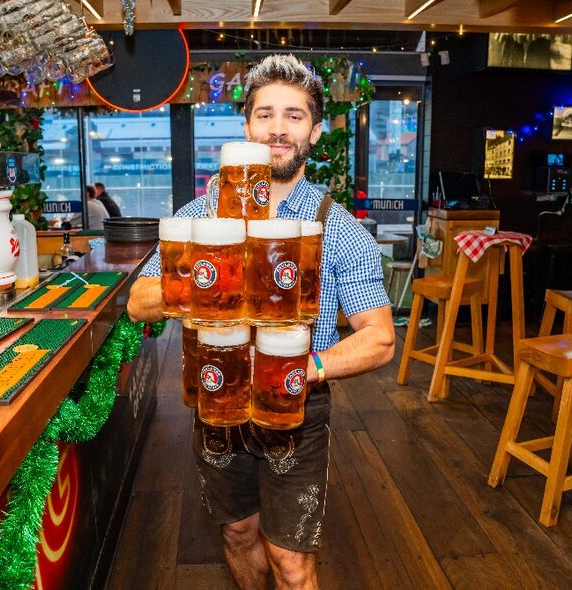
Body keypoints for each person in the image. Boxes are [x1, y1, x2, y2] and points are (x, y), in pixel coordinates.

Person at [126, 54, 395, 590]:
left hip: (294, 404)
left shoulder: (334, 228)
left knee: (291, 563)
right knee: (238, 536)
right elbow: (138, 302)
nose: (277, 128)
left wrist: (303, 368)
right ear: (246, 127)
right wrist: (209, 278)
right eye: (265, 114)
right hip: (216, 397)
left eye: (294, 116)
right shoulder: (197, 221)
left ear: (315, 132)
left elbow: (380, 339)